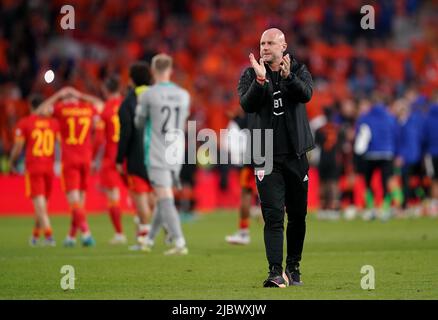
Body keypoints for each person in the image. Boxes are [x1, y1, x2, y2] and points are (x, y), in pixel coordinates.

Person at [237, 28, 314, 287]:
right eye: (262, 43)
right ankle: (274, 272)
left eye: (270, 43)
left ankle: (293, 267)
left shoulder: (298, 69)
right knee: (273, 216)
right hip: (265, 157)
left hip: (295, 155)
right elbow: (247, 105)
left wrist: (288, 77)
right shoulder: (250, 74)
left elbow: (306, 94)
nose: (265, 47)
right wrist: (260, 83)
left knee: (298, 215)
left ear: (283, 46)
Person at [135, 53, 190, 255]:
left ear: (152, 71)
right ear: (170, 70)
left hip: (157, 151)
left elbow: (139, 123)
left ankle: (179, 242)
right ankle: (149, 240)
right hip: (176, 150)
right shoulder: (184, 94)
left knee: (164, 196)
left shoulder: (148, 95)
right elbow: (183, 121)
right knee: (163, 195)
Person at [37, 86, 104, 247]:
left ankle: (86, 233)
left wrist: (58, 95)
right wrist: (81, 95)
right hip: (86, 159)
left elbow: (39, 111)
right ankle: (72, 236)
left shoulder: (61, 109)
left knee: (74, 202)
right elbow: (101, 104)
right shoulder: (87, 109)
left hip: (69, 160)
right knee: (80, 202)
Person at [9, 94, 60, 246]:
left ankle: (49, 237)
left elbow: (18, 147)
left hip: (34, 167)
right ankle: (35, 236)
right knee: (43, 204)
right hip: (49, 167)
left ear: (30, 106)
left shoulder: (25, 123)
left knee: (39, 204)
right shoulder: (53, 123)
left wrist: (12, 161)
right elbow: (60, 144)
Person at [116, 62, 155, 250]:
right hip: (158, 155)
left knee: (140, 199)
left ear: (131, 79)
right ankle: (156, 232)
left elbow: (126, 133)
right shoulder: (160, 97)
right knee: (153, 197)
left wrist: (119, 158)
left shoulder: (128, 102)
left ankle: (144, 237)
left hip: (137, 156)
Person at [354, 93, 400, 221]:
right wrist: (396, 152)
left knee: (368, 182)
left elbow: (360, 138)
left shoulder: (365, 118)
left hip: (370, 154)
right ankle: (385, 209)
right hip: (387, 154)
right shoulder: (390, 118)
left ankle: (371, 208)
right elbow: (396, 135)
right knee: (387, 181)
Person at [93, 76, 127, 244]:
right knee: (139, 193)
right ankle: (144, 230)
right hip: (129, 153)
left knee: (113, 196)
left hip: (112, 156)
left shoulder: (105, 110)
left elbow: (99, 140)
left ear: (106, 90)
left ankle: (120, 234)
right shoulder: (127, 103)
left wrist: (93, 159)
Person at [225, 111, 257, 245]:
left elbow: (231, 144)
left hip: (248, 161)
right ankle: (279, 230)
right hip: (269, 158)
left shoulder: (239, 121)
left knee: (246, 194)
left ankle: (243, 233)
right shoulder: (265, 112)